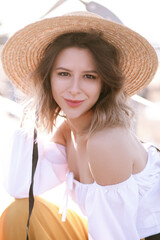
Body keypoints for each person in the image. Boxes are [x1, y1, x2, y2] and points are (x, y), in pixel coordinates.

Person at [0, 11, 160, 240]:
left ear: (105, 83)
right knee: (20, 213)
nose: (74, 88)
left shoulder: (106, 141)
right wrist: (31, 118)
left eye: (89, 76)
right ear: (48, 79)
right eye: (64, 74)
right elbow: (20, 188)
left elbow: (117, 236)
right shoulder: (67, 132)